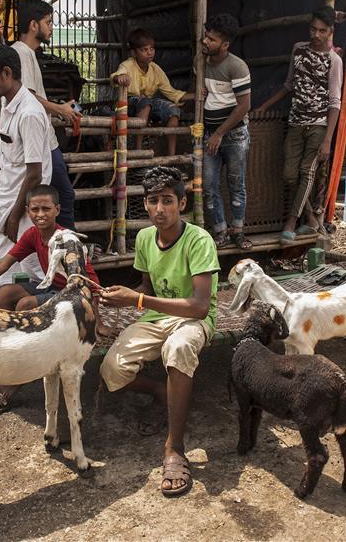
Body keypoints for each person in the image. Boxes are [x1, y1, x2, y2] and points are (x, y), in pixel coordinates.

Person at [100, 166, 220, 498]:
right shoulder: (143, 238)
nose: (159, 209)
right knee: (111, 369)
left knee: (179, 349)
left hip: (193, 321)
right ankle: (160, 390)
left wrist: (137, 298)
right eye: (153, 201)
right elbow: (146, 287)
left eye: (167, 200)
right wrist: (118, 299)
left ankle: (174, 448)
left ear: (182, 204)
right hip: (156, 318)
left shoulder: (199, 240)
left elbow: (198, 306)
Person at [0, 184, 101, 417]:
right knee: (4, 293)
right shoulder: (33, 234)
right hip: (54, 288)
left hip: (79, 295)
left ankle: (14, 381)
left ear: (57, 210)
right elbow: (3, 263)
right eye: (35, 209)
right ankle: (11, 351)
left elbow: (82, 283)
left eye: (46, 209)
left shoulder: (64, 238)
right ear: (27, 211)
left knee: (25, 305)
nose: (40, 214)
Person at [257, 6, 343, 240]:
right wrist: (265, 105)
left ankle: (291, 222)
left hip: (318, 125)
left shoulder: (334, 60)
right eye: (313, 29)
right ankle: (311, 218)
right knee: (289, 175)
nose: (316, 34)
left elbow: (335, 102)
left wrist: (327, 140)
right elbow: (289, 84)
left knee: (307, 173)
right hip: (295, 121)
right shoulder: (298, 50)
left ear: (330, 31)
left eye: (322, 31)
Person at [0, 44, 54, 287]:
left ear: (7, 73)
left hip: (21, 215)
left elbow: (34, 173)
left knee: (26, 280)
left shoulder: (29, 113)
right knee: (9, 281)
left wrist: (15, 214)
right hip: (8, 207)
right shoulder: (10, 108)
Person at [12, 0, 78, 230]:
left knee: (56, 197)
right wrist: (59, 109)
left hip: (44, 138)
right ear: (33, 25)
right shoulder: (21, 53)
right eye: (48, 22)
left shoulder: (27, 53)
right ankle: (70, 249)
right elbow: (28, 95)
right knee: (64, 196)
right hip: (40, 141)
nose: (51, 27)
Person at [200, 14, 253, 251]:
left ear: (225, 44)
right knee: (209, 185)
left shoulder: (237, 66)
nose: (205, 41)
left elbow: (244, 106)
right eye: (206, 36)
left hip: (233, 135)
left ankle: (238, 232)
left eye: (211, 39)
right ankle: (220, 231)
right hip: (210, 133)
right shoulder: (200, 61)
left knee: (236, 183)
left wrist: (219, 133)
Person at [111, 28, 194, 155]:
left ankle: (171, 156)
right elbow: (116, 76)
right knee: (145, 102)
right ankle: (139, 149)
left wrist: (194, 96)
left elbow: (171, 92)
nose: (149, 53)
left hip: (148, 103)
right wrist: (119, 77)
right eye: (144, 50)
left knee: (173, 109)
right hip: (129, 103)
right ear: (134, 53)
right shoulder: (127, 65)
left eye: (151, 49)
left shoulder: (156, 69)